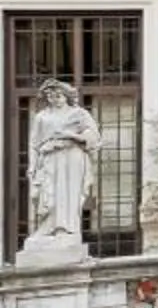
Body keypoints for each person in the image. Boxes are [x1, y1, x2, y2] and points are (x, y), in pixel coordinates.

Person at [20, 79, 99, 261]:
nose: (54, 99)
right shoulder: (41, 117)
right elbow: (34, 144)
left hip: (72, 157)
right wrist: (32, 166)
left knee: (68, 193)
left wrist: (71, 135)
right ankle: (47, 228)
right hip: (49, 158)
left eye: (57, 95)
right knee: (48, 195)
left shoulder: (79, 114)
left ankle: (66, 228)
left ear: (66, 95)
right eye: (49, 96)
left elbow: (93, 137)